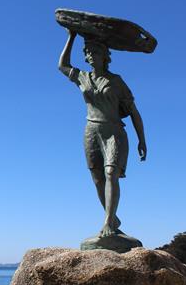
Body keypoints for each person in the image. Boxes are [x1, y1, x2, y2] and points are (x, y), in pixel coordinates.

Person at [58, 30, 147, 238]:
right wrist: (71, 37)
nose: (89, 56)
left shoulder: (116, 81)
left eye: (93, 52)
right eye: (87, 53)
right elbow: (62, 65)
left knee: (110, 173)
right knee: (97, 178)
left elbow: (134, 112)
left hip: (113, 132)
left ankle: (108, 221)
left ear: (104, 56)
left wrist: (142, 139)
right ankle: (113, 217)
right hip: (91, 131)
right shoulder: (83, 77)